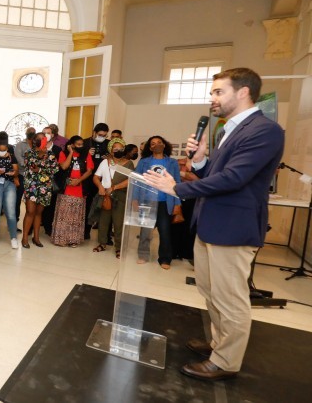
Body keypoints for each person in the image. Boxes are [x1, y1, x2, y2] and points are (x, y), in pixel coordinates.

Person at [143, 68, 284, 382]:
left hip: (233, 227)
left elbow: (234, 179)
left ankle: (225, 361)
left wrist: (177, 188)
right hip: (211, 224)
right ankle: (220, 343)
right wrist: (202, 160)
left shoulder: (265, 131)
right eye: (212, 93)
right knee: (211, 291)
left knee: (230, 298)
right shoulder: (229, 130)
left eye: (219, 92)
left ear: (243, 92)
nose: (213, 98)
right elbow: (215, 176)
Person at [134, 135, 181, 269]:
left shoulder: (172, 162)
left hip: (165, 202)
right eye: (153, 144)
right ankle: (143, 255)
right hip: (147, 201)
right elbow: (136, 181)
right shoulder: (144, 162)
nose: (157, 145)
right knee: (145, 231)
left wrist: (178, 203)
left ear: (164, 145)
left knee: (165, 231)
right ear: (150, 148)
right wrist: (135, 199)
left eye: (159, 142)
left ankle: (165, 258)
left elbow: (177, 183)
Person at [92, 138, 133, 257]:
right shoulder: (105, 162)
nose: (118, 150)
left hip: (120, 195)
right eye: (116, 149)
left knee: (118, 223)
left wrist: (115, 187)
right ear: (111, 150)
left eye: (121, 148)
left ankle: (119, 247)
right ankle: (102, 243)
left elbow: (130, 180)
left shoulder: (128, 163)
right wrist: (100, 187)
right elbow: (96, 177)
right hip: (105, 195)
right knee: (103, 221)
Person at [52, 136, 94, 247]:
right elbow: (64, 166)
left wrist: (78, 180)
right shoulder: (63, 153)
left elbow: (89, 171)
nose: (81, 146)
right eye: (78, 144)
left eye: (82, 144)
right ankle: (61, 239)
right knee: (64, 215)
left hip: (79, 189)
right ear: (72, 144)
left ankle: (73, 240)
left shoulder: (86, 154)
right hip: (66, 189)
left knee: (75, 217)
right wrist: (70, 153)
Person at [21, 132, 60, 249]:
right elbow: (32, 166)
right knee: (30, 211)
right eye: (41, 139)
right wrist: (43, 166)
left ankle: (36, 238)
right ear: (35, 141)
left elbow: (55, 169)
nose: (43, 140)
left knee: (39, 213)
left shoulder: (51, 154)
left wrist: (41, 169)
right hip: (31, 186)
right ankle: (24, 237)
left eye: (44, 139)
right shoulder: (29, 153)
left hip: (45, 187)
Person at [0, 131, 20, 248]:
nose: (3, 151)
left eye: (4, 149)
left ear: (7, 147)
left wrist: (13, 173)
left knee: (11, 211)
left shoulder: (11, 155)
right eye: (0, 149)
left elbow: (16, 171)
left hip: (9, 184)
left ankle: (13, 237)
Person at [83, 123, 110, 240]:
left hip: (103, 180)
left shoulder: (109, 144)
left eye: (104, 135)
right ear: (94, 132)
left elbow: (116, 160)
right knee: (88, 205)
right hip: (87, 178)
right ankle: (85, 231)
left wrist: (109, 158)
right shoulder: (85, 142)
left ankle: (105, 235)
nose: (102, 137)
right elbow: (77, 158)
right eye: (100, 135)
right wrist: (87, 154)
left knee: (104, 206)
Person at [40, 125, 63, 237]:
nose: (46, 135)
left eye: (48, 133)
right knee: (39, 205)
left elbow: (59, 167)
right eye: (44, 133)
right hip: (39, 181)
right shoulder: (38, 147)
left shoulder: (58, 149)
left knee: (51, 205)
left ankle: (48, 227)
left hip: (53, 181)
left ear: (52, 135)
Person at [14, 127, 36, 228]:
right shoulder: (20, 145)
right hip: (22, 176)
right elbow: (19, 161)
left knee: (31, 201)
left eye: (33, 132)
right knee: (17, 200)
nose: (31, 134)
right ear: (26, 133)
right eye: (29, 132)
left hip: (34, 178)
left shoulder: (36, 145)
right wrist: (31, 165)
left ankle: (30, 225)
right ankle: (14, 222)